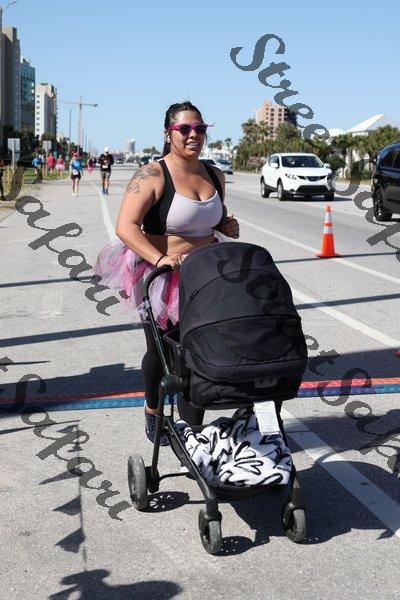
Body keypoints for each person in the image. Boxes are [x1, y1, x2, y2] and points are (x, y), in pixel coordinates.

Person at [95, 101, 239, 444]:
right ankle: (153, 409)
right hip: (160, 277)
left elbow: (211, 218)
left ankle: (191, 434)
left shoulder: (215, 175)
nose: (193, 135)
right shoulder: (152, 174)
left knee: (198, 354)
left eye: (199, 128)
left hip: (205, 277)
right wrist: (159, 259)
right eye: (184, 129)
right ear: (168, 134)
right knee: (161, 353)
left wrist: (226, 225)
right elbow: (126, 226)